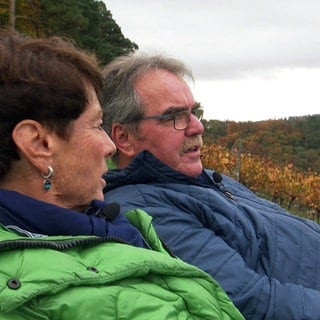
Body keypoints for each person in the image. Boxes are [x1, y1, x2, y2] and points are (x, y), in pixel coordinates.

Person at [0, 29, 244, 320]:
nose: (109, 145)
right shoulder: (35, 296)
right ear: (38, 144)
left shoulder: (106, 225)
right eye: (96, 125)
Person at [102, 52, 320, 320]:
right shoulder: (146, 210)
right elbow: (253, 303)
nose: (197, 127)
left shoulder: (203, 179)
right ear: (124, 138)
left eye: (194, 112)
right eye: (175, 116)